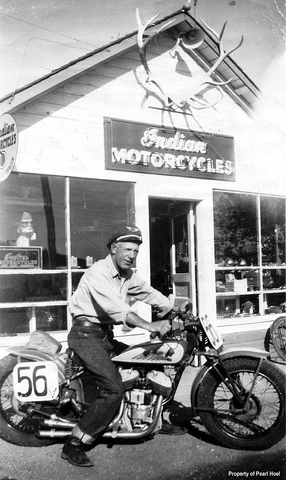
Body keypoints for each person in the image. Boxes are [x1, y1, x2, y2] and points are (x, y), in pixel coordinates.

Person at [61, 226, 186, 467]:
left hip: (104, 336)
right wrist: (150, 325)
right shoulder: (99, 272)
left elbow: (148, 292)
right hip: (85, 334)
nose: (132, 255)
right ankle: (75, 443)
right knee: (113, 388)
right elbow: (117, 310)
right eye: (127, 249)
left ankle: (153, 421)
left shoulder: (127, 274)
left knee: (150, 362)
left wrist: (176, 310)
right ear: (114, 248)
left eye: (136, 251)